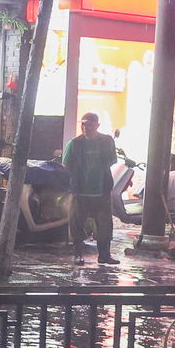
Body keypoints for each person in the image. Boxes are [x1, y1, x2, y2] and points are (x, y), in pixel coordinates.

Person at [62, 111, 120, 266]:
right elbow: (66, 164)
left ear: (97, 125)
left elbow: (111, 160)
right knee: (76, 223)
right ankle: (77, 254)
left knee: (105, 224)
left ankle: (104, 255)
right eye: (83, 124)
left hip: (102, 190)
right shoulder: (74, 143)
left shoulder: (107, 141)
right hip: (80, 191)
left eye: (89, 124)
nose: (86, 127)